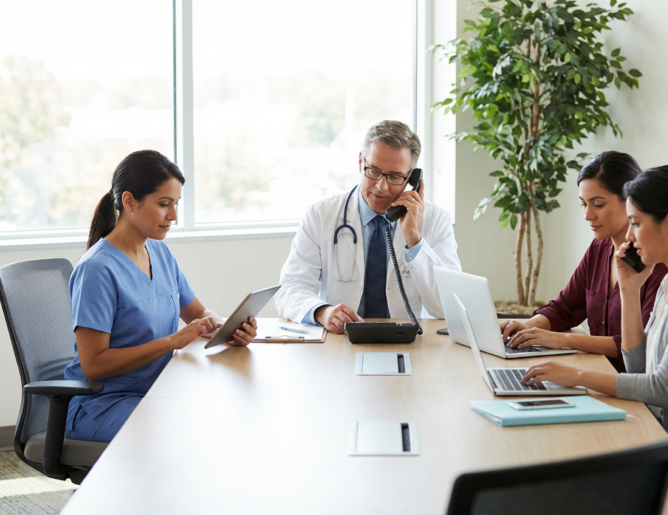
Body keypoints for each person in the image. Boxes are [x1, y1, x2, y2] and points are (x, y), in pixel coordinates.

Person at [522, 165, 668, 503]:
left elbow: (662, 389)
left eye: (635, 223)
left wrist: (576, 375)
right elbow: (639, 371)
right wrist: (629, 290)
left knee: (575, 489)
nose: (629, 236)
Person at [65, 150, 258, 443]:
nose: (174, 216)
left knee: (226, 414)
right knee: (185, 433)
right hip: (104, 404)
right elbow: (94, 364)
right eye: (164, 204)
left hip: (158, 389)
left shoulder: (159, 251)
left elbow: (198, 314)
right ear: (129, 201)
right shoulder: (97, 269)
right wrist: (170, 342)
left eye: (176, 204)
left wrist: (229, 328)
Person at [275, 120, 461, 333]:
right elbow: (289, 289)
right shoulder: (320, 215)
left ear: (412, 178)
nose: (381, 186)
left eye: (394, 176)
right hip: (340, 342)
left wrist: (414, 238)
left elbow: (449, 308)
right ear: (361, 161)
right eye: (373, 171)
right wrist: (322, 312)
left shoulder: (437, 221)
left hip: (412, 343)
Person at [503, 151, 667, 371]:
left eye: (598, 204)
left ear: (630, 202)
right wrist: (527, 327)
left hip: (627, 386)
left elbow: (638, 346)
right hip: (596, 370)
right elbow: (565, 308)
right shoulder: (599, 249)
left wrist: (561, 340)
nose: (588, 215)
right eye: (583, 204)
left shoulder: (657, 264)